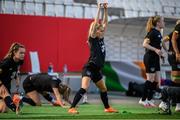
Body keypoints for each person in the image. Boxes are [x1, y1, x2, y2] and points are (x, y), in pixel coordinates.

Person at [68, 3, 118, 114]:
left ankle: (107, 107)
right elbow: (96, 24)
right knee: (84, 87)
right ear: (95, 31)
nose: (102, 31)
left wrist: (105, 10)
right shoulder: (93, 39)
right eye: (100, 30)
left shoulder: (101, 38)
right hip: (89, 67)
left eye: (101, 30)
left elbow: (105, 23)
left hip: (96, 70)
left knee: (103, 88)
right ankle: (72, 108)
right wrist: (99, 8)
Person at [139, 16, 165, 107]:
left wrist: (161, 54)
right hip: (150, 58)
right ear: (158, 23)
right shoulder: (152, 32)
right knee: (150, 79)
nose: (164, 23)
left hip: (155, 59)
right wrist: (155, 50)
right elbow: (144, 44)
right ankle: (143, 99)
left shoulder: (158, 33)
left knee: (157, 81)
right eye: (163, 21)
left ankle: (149, 99)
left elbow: (160, 45)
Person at [159, 20, 180, 112]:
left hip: (175, 56)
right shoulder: (174, 33)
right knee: (176, 79)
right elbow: (163, 40)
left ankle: (176, 103)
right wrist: (170, 51)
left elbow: (163, 40)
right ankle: (165, 99)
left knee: (177, 80)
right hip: (175, 57)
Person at [0, 43, 25, 114]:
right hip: (1, 83)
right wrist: (1, 85)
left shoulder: (20, 61)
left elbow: (15, 71)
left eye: (24, 53)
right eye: (21, 53)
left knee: (3, 110)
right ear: (14, 52)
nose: (23, 54)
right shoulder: (6, 62)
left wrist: (17, 79)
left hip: (7, 84)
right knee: (4, 92)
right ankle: (16, 109)